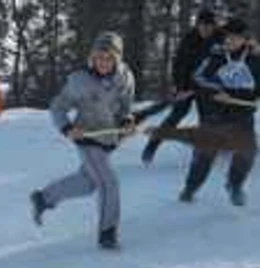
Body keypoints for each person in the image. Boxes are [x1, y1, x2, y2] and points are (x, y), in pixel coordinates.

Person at [30, 32, 135, 250]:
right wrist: (68, 128)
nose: (103, 63)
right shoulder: (79, 81)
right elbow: (57, 107)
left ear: (117, 59)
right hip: (86, 138)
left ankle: (44, 198)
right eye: (99, 58)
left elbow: (126, 105)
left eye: (109, 58)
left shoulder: (125, 77)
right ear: (92, 58)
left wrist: (126, 120)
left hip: (108, 138)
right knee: (108, 183)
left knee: (88, 184)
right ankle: (108, 232)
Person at [178, 17, 260, 206]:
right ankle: (191, 187)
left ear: (245, 39)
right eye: (227, 37)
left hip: (243, 116)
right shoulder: (216, 56)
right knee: (204, 156)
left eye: (234, 37)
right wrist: (217, 91)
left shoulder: (255, 60)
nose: (229, 41)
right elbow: (198, 78)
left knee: (248, 152)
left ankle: (234, 185)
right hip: (215, 115)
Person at [141, 8, 223, 165]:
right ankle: (152, 145)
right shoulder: (189, 38)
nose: (205, 29)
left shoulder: (221, 39)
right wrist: (180, 87)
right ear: (197, 25)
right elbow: (178, 64)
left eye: (209, 26)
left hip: (207, 87)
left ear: (214, 26)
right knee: (176, 115)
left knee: (207, 119)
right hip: (186, 85)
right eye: (202, 25)